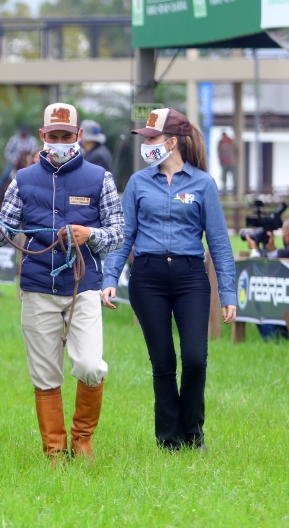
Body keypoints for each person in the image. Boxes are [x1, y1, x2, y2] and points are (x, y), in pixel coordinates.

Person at [0, 103, 124, 465]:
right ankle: (54, 451)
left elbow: (118, 234)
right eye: (52, 136)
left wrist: (91, 234)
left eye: (66, 136)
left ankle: (82, 441)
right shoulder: (22, 181)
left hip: (83, 286)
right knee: (45, 375)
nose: (59, 142)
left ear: (78, 137)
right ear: (42, 137)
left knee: (90, 366)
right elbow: (3, 235)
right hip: (37, 287)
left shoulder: (100, 178)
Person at [102, 107, 236, 452]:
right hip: (148, 278)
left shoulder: (203, 184)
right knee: (162, 362)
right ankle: (169, 439)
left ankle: (194, 433)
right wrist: (110, 277)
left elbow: (219, 242)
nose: (147, 144)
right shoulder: (137, 182)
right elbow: (123, 236)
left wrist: (229, 291)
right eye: (146, 139)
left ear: (172, 142)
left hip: (191, 278)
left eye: (153, 138)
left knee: (194, 358)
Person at [0, 124, 38, 198]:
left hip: (28, 161)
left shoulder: (32, 140)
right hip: (15, 162)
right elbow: (7, 151)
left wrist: (31, 159)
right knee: (6, 174)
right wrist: (13, 159)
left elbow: (35, 152)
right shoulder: (14, 140)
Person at [218, 131, 239, 196]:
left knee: (235, 178)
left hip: (232, 163)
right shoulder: (220, 143)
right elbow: (218, 152)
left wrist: (236, 160)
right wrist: (220, 161)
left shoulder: (232, 142)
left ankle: (236, 193)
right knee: (224, 178)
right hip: (224, 163)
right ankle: (224, 193)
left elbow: (237, 151)